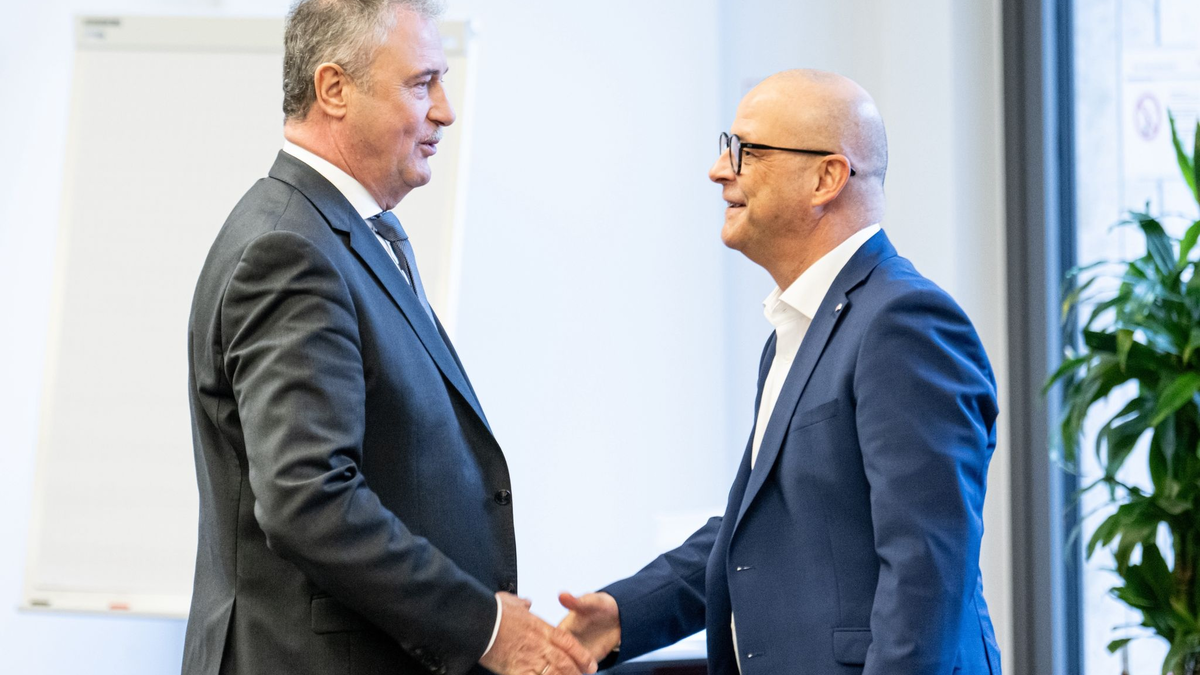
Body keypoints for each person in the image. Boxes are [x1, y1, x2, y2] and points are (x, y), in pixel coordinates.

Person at [182, 2, 596, 674]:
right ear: (334, 89)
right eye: (420, 83)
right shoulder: (292, 250)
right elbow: (307, 499)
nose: (445, 110)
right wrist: (485, 627)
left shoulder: (336, 234)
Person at [558, 69, 1002, 675]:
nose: (719, 170)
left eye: (747, 151)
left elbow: (928, 569)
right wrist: (622, 614)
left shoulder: (903, 321)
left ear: (826, 177)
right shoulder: (798, 331)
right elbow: (765, 533)